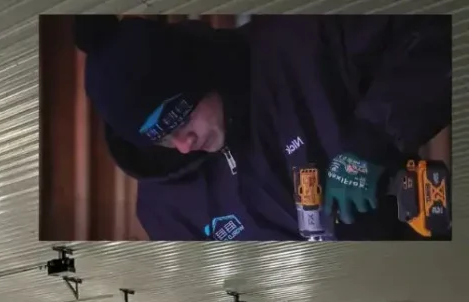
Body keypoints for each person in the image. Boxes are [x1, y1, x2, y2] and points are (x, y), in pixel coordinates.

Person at [74, 15, 452, 241]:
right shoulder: (164, 211)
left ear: (199, 71)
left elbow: (436, 35)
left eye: (178, 118)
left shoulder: (301, 43)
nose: (184, 145)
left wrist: (376, 138)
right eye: (161, 139)